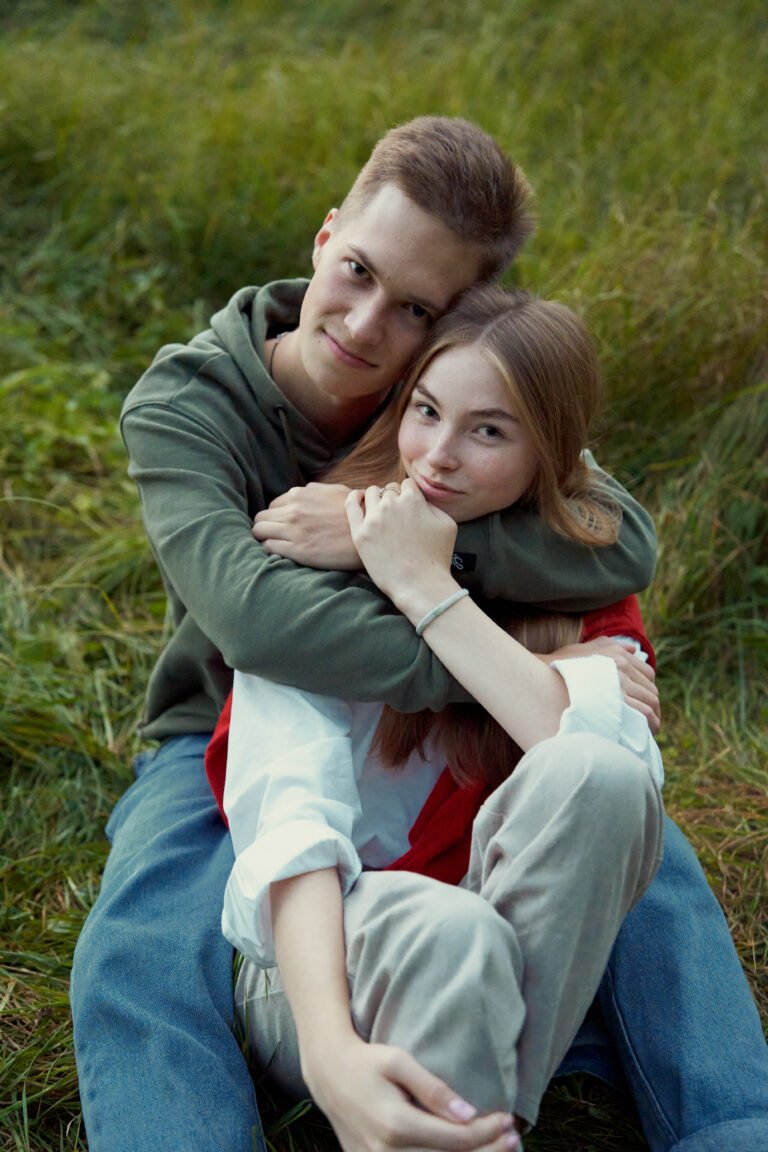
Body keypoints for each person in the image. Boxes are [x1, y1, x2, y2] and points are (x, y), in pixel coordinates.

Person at [68, 115, 767, 1152]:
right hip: (224, 714)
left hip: (436, 705)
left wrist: (398, 545)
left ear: (457, 316)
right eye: (357, 271)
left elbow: (618, 539)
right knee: (143, 945)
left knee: (645, 853)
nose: (364, 326)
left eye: (414, 309)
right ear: (325, 236)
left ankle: (730, 1126)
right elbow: (258, 623)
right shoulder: (188, 402)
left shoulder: (437, 382)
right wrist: (517, 669)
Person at [212, 285, 666, 1152]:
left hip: (509, 946)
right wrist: (330, 1050)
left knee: (598, 777)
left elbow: (614, 783)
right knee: (451, 933)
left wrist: (425, 584)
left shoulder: (586, 588)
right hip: (323, 966)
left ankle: (469, 1124)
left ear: (553, 452)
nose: (438, 458)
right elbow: (291, 828)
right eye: (426, 411)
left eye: (488, 431)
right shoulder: (308, 560)